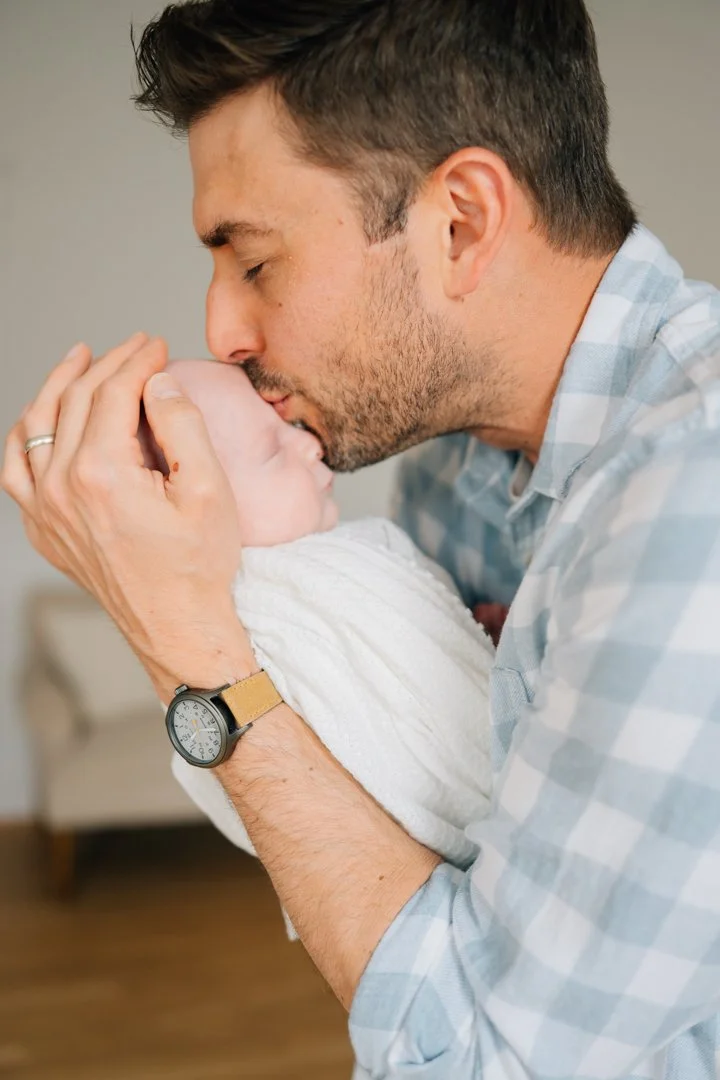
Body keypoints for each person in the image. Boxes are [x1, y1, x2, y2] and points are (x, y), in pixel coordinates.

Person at [3, 1, 720, 1076]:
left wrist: (188, 646)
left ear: (462, 223)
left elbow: (488, 1058)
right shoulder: (444, 460)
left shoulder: (689, 507)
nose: (223, 332)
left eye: (253, 262)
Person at [141, 359, 495, 874]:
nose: (308, 444)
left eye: (292, 427)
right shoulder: (254, 611)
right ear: (193, 513)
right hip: (433, 848)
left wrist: (479, 644)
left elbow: (431, 640)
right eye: (270, 450)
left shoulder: (364, 543)